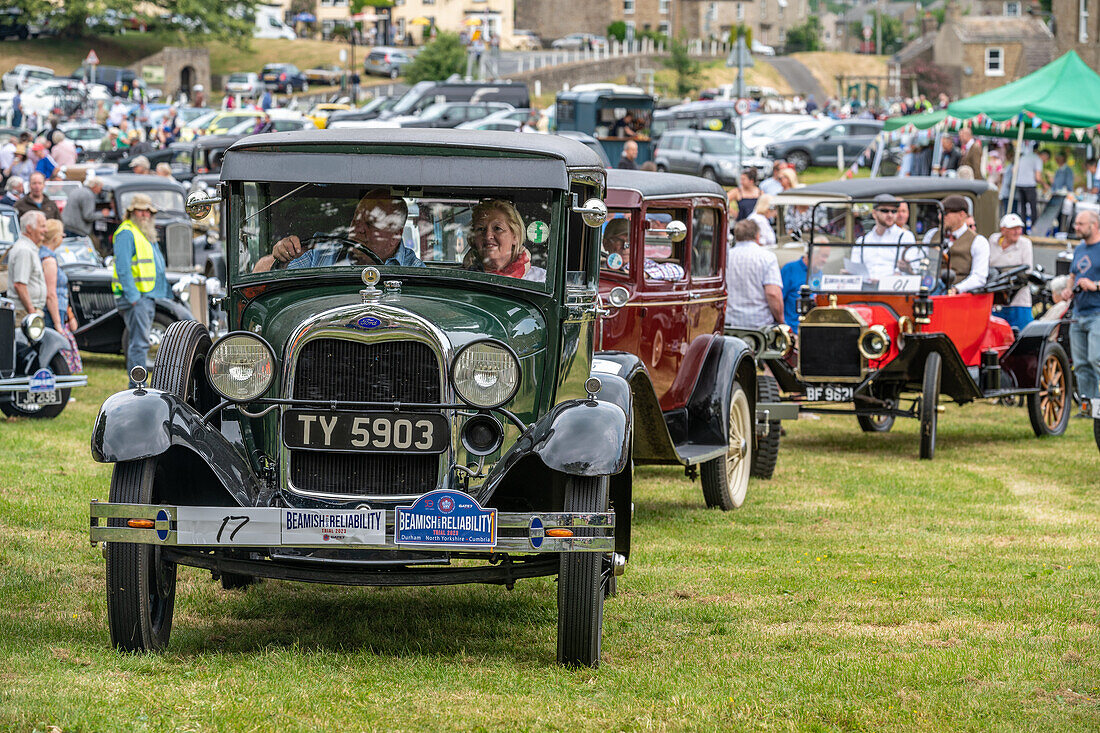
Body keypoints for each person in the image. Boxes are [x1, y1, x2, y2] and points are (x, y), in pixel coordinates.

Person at [255, 190, 422, 272]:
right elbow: (259, 274)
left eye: (371, 223)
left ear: (395, 235)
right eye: (356, 219)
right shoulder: (321, 252)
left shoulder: (414, 271)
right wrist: (282, 255)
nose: (358, 228)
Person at [112, 193, 170, 385]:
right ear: (132, 212)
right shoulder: (127, 232)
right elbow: (122, 267)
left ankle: (137, 385)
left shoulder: (141, 232)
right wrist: (134, 296)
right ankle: (137, 385)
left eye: (148, 211)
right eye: (141, 210)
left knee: (139, 343)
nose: (145, 214)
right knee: (140, 343)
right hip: (137, 298)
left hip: (145, 296)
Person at [1064, 210, 1100, 413]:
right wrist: (1069, 289)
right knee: (1081, 364)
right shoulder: (1079, 249)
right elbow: (1073, 274)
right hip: (1078, 314)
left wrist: (1095, 285)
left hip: (1097, 313)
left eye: (1080, 224)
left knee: (1096, 358)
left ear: (1093, 225)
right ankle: (1089, 409)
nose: (1076, 227)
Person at [465, 199, 545, 282]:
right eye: (481, 229)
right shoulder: (461, 278)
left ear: (515, 236)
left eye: (497, 228)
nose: (488, 236)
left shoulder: (540, 280)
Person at [725, 218, 783, 328]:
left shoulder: (726, 257)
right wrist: (781, 319)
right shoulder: (767, 257)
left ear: (736, 236)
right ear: (757, 236)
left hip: (730, 322)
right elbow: (773, 293)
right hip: (759, 324)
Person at [850, 194, 915, 281]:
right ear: (874, 213)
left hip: (893, 290)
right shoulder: (862, 241)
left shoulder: (905, 237)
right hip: (865, 290)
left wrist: (906, 269)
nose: (890, 215)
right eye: (885, 211)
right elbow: (855, 270)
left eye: (894, 211)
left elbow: (913, 269)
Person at [986, 213, 1033, 331]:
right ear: (1003, 230)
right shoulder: (993, 240)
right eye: (1013, 229)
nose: (1017, 232)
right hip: (996, 299)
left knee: (1022, 334)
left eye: (1019, 228)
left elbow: (1027, 270)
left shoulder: (1025, 244)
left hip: (1019, 299)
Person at [933, 194, 988, 293]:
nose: (940, 217)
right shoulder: (932, 235)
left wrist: (957, 289)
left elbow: (979, 277)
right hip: (929, 289)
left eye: (945, 213)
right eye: (939, 212)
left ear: (961, 215)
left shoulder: (978, 241)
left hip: (957, 296)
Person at [780, 241, 830, 332]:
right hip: (793, 331)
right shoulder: (790, 269)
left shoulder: (819, 273)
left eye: (827, 257)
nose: (825, 261)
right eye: (823, 256)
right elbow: (778, 300)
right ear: (812, 253)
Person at [10, 210, 47, 321]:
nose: (46, 230)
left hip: (28, 312)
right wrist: (32, 312)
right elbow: (19, 285)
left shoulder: (28, 248)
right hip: (25, 313)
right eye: (42, 226)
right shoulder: (24, 250)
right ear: (29, 228)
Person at [62, 173, 104, 241]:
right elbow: (88, 216)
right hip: (78, 230)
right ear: (95, 186)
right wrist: (102, 214)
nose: (100, 190)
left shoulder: (77, 190)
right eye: (100, 187)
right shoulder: (88, 195)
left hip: (67, 227)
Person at [1014, 143, 1043, 227]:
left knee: (1023, 208)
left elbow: (1014, 170)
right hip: (1030, 185)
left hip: (1019, 184)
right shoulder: (1037, 159)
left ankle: (1023, 229)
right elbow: (1038, 177)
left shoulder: (1023, 157)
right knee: (1033, 208)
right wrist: (1045, 185)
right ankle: (1034, 228)